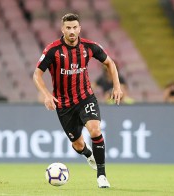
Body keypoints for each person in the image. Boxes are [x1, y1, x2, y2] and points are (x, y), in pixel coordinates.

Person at [33, 13, 123, 188]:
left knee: (95, 130)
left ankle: (102, 175)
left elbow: (110, 63)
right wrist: (46, 94)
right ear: (62, 29)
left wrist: (117, 86)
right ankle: (88, 154)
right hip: (64, 104)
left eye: (75, 27)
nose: (72, 31)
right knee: (78, 143)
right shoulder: (53, 50)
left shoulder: (89, 47)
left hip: (85, 98)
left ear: (80, 28)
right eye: (68, 28)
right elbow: (37, 74)